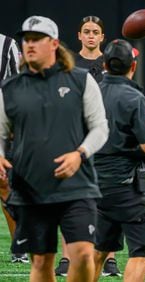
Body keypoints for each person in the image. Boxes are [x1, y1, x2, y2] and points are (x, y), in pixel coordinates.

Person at [0, 15, 108, 281]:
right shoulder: (11, 88)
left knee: (83, 254)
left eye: (37, 39)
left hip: (77, 186)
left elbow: (100, 128)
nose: (30, 45)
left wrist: (80, 154)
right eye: (26, 39)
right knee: (41, 262)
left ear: (54, 43)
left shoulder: (81, 80)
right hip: (31, 188)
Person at [55, 14, 121, 278]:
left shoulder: (112, 62)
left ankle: (110, 258)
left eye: (95, 31)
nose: (91, 35)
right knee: (70, 197)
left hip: (109, 137)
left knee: (109, 199)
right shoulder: (70, 63)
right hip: (77, 138)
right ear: (79, 35)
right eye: (87, 31)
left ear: (102, 36)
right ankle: (66, 257)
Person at [92, 38, 145, 282]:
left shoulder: (89, 94)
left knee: (99, 249)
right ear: (132, 66)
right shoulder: (135, 98)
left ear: (105, 65)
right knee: (140, 253)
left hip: (94, 185)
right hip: (127, 186)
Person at [0, 33, 28, 264]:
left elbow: (17, 84)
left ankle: (19, 244)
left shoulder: (7, 44)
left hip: (2, 126)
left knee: (5, 185)